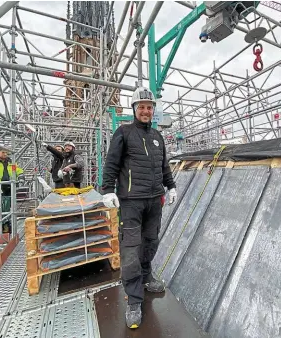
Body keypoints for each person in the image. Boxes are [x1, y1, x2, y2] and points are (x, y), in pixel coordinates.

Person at [101, 86, 177, 329]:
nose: (146, 110)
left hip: (155, 200)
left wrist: (171, 186)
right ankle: (134, 300)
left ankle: (146, 276)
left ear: (153, 110)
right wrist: (107, 190)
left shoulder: (157, 136)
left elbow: (163, 165)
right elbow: (112, 162)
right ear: (134, 109)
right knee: (131, 248)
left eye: (149, 107)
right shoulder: (123, 132)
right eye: (141, 107)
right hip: (132, 201)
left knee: (151, 241)